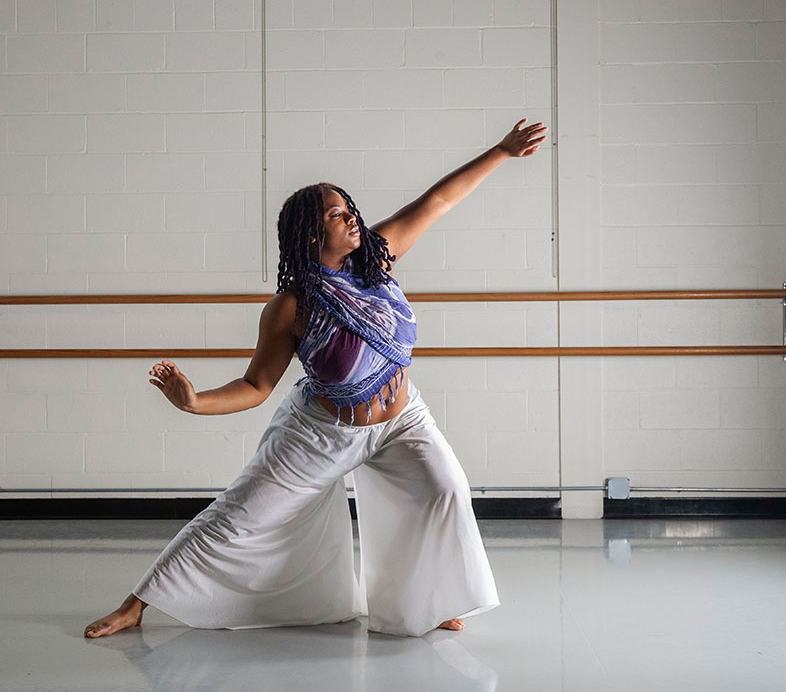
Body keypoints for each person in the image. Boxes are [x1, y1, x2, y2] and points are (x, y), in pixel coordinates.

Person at [85, 119, 548, 639]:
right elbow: (256, 386)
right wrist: (193, 402)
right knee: (240, 516)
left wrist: (502, 151)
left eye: (350, 210)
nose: (353, 219)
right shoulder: (290, 308)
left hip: (402, 421)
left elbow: (437, 201)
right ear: (312, 233)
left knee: (445, 491)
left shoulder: (377, 257)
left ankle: (429, 600)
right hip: (322, 432)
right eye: (338, 215)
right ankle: (137, 604)